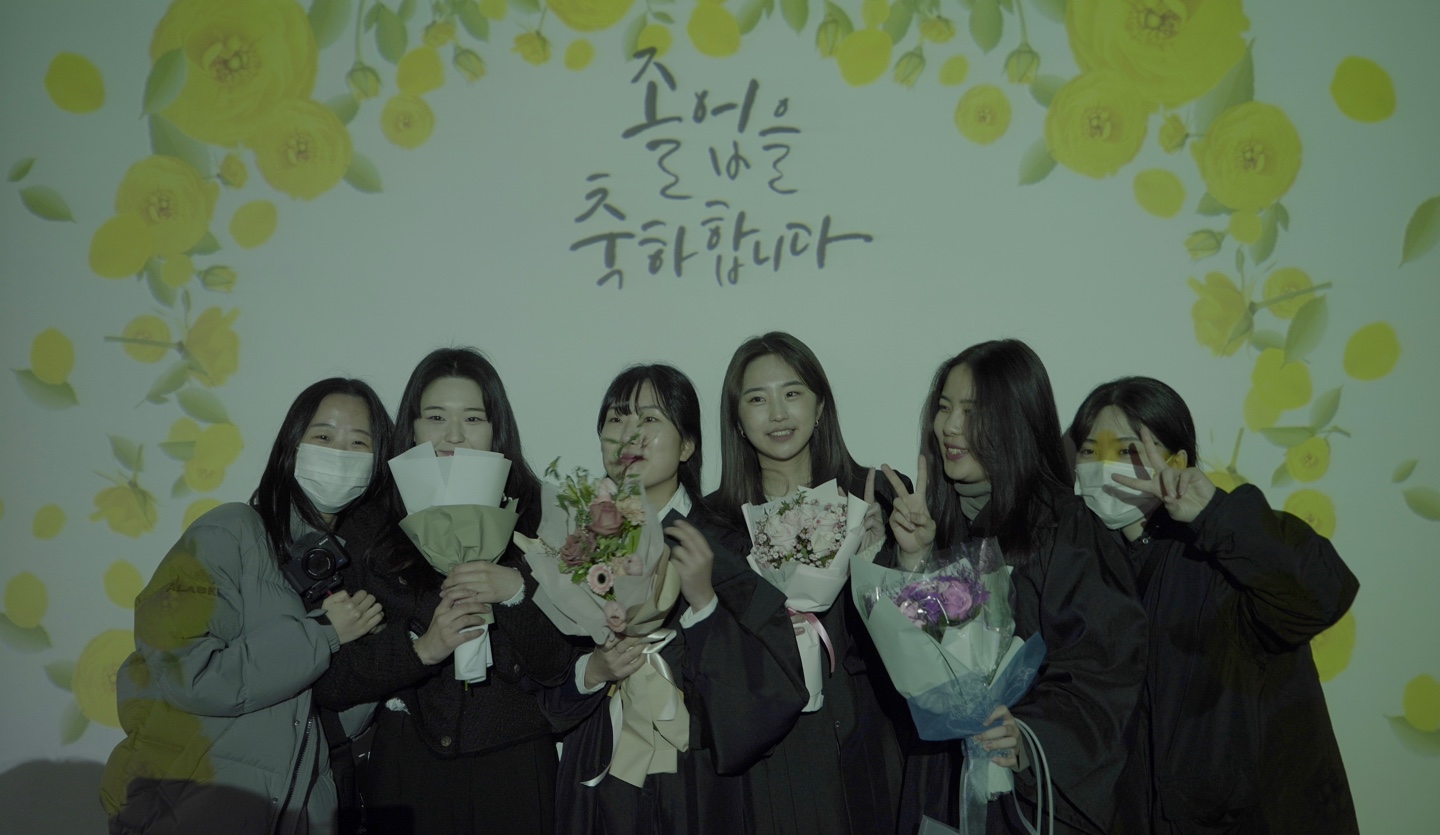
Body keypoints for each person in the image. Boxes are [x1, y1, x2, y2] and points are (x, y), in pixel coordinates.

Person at [101, 378, 394, 834]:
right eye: (323, 436)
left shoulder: (351, 573)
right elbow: (187, 673)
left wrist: (373, 653)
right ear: (291, 444)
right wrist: (322, 634)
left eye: (359, 443)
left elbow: (337, 726)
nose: (340, 453)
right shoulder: (230, 530)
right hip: (194, 812)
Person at [1067, 376, 1359, 834]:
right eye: (1089, 450)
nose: (1104, 465)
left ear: (1177, 462)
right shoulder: (1087, 570)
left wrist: (1215, 514)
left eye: (1127, 450)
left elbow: (1324, 594)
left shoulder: (1220, 556)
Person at [883, 339, 1146, 835]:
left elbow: (1103, 669)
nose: (950, 426)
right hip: (942, 785)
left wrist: (1027, 736)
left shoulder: (1066, 529)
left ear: (1017, 420)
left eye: (972, 411)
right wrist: (914, 561)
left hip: (1030, 799)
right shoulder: (934, 525)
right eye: (945, 407)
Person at [312, 348, 573, 834]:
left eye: (473, 418)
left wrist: (515, 594)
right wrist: (420, 648)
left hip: (515, 763)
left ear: (496, 429)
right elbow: (332, 680)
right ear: (410, 429)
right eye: (435, 417)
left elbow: (559, 665)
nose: (454, 435)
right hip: (406, 762)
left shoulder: (539, 516)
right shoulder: (368, 524)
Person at [545, 363, 806, 834]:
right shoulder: (573, 545)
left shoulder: (731, 544)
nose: (632, 434)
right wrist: (592, 672)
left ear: (687, 445)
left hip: (696, 781)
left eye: (650, 418)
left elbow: (772, 688)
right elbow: (541, 688)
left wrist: (704, 606)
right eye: (617, 418)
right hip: (599, 774)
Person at [709, 331, 907, 835]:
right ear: (737, 419)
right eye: (758, 399)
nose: (778, 413)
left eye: (792, 393)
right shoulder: (714, 524)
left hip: (872, 735)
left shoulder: (878, 495)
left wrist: (882, 558)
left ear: (820, 407)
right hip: (776, 754)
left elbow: (916, 633)